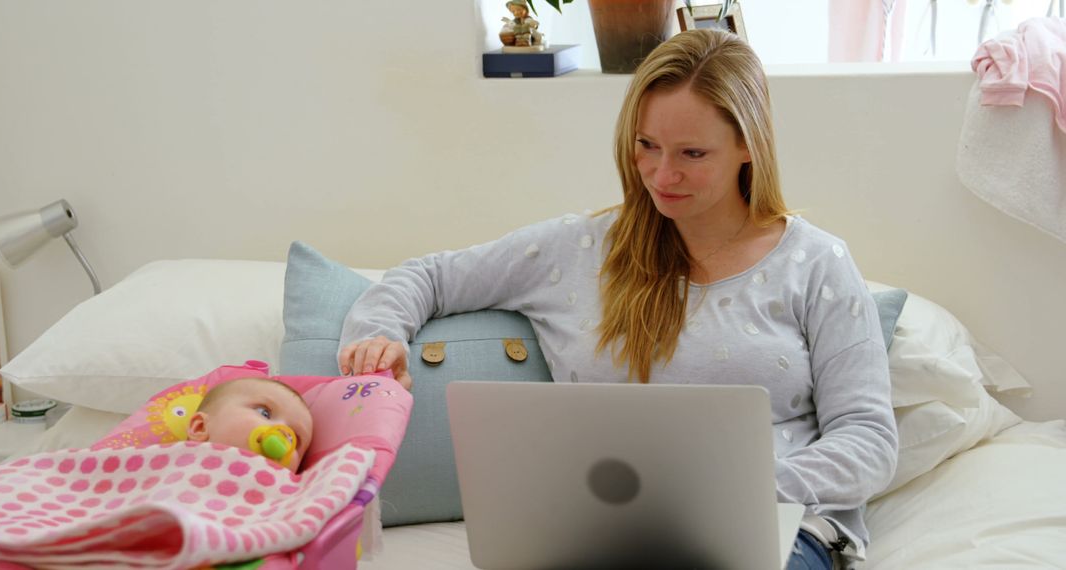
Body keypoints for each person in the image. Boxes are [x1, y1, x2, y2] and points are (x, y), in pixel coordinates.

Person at [338, 29, 898, 570]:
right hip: (605, 530)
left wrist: (743, 490)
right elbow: (428, 277)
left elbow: (869, 440)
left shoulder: (818, 263)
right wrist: (377, 336)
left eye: (693, 153)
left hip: (779, 524)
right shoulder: (576, 250)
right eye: (646, 146)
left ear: (749, 145)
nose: (662, 174)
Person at [186, 377, 314, 473]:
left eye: (294, 439)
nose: (284, 432)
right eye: (264, 413)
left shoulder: (292, 496)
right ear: (200, 427)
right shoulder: (172, 463)